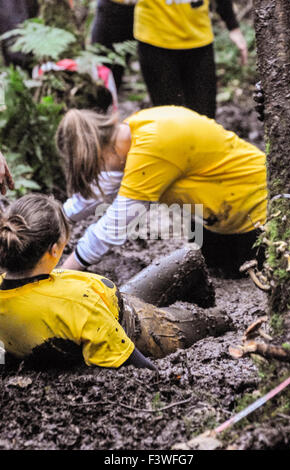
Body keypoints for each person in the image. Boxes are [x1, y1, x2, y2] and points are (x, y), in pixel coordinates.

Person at [57, 105, 267, 277]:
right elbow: (97, 191)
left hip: (258, 212)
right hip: (219, 217)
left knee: (241, 272)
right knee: (212, 266)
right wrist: (57, 220)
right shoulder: (134, 129)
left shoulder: (152, 149)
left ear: (101, 153)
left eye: (98, 169)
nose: (102, 174)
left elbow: (112, 227)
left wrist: (63, 274)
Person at [0, 193, 156, 370]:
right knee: (191, 260)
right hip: (139, 328)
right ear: (54, 249)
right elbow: (143, 368)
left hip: (113, 306)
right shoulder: (77, 306)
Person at [126, 0, 248, 119]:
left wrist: (233, 27)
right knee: (167, 115)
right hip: (155, 40)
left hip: (199, 39)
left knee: (205, 115)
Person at [91, 0, 136, 90]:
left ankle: (111, 99)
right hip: (108, 7)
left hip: (136, 11)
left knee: (118, 67)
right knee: (101, 62)